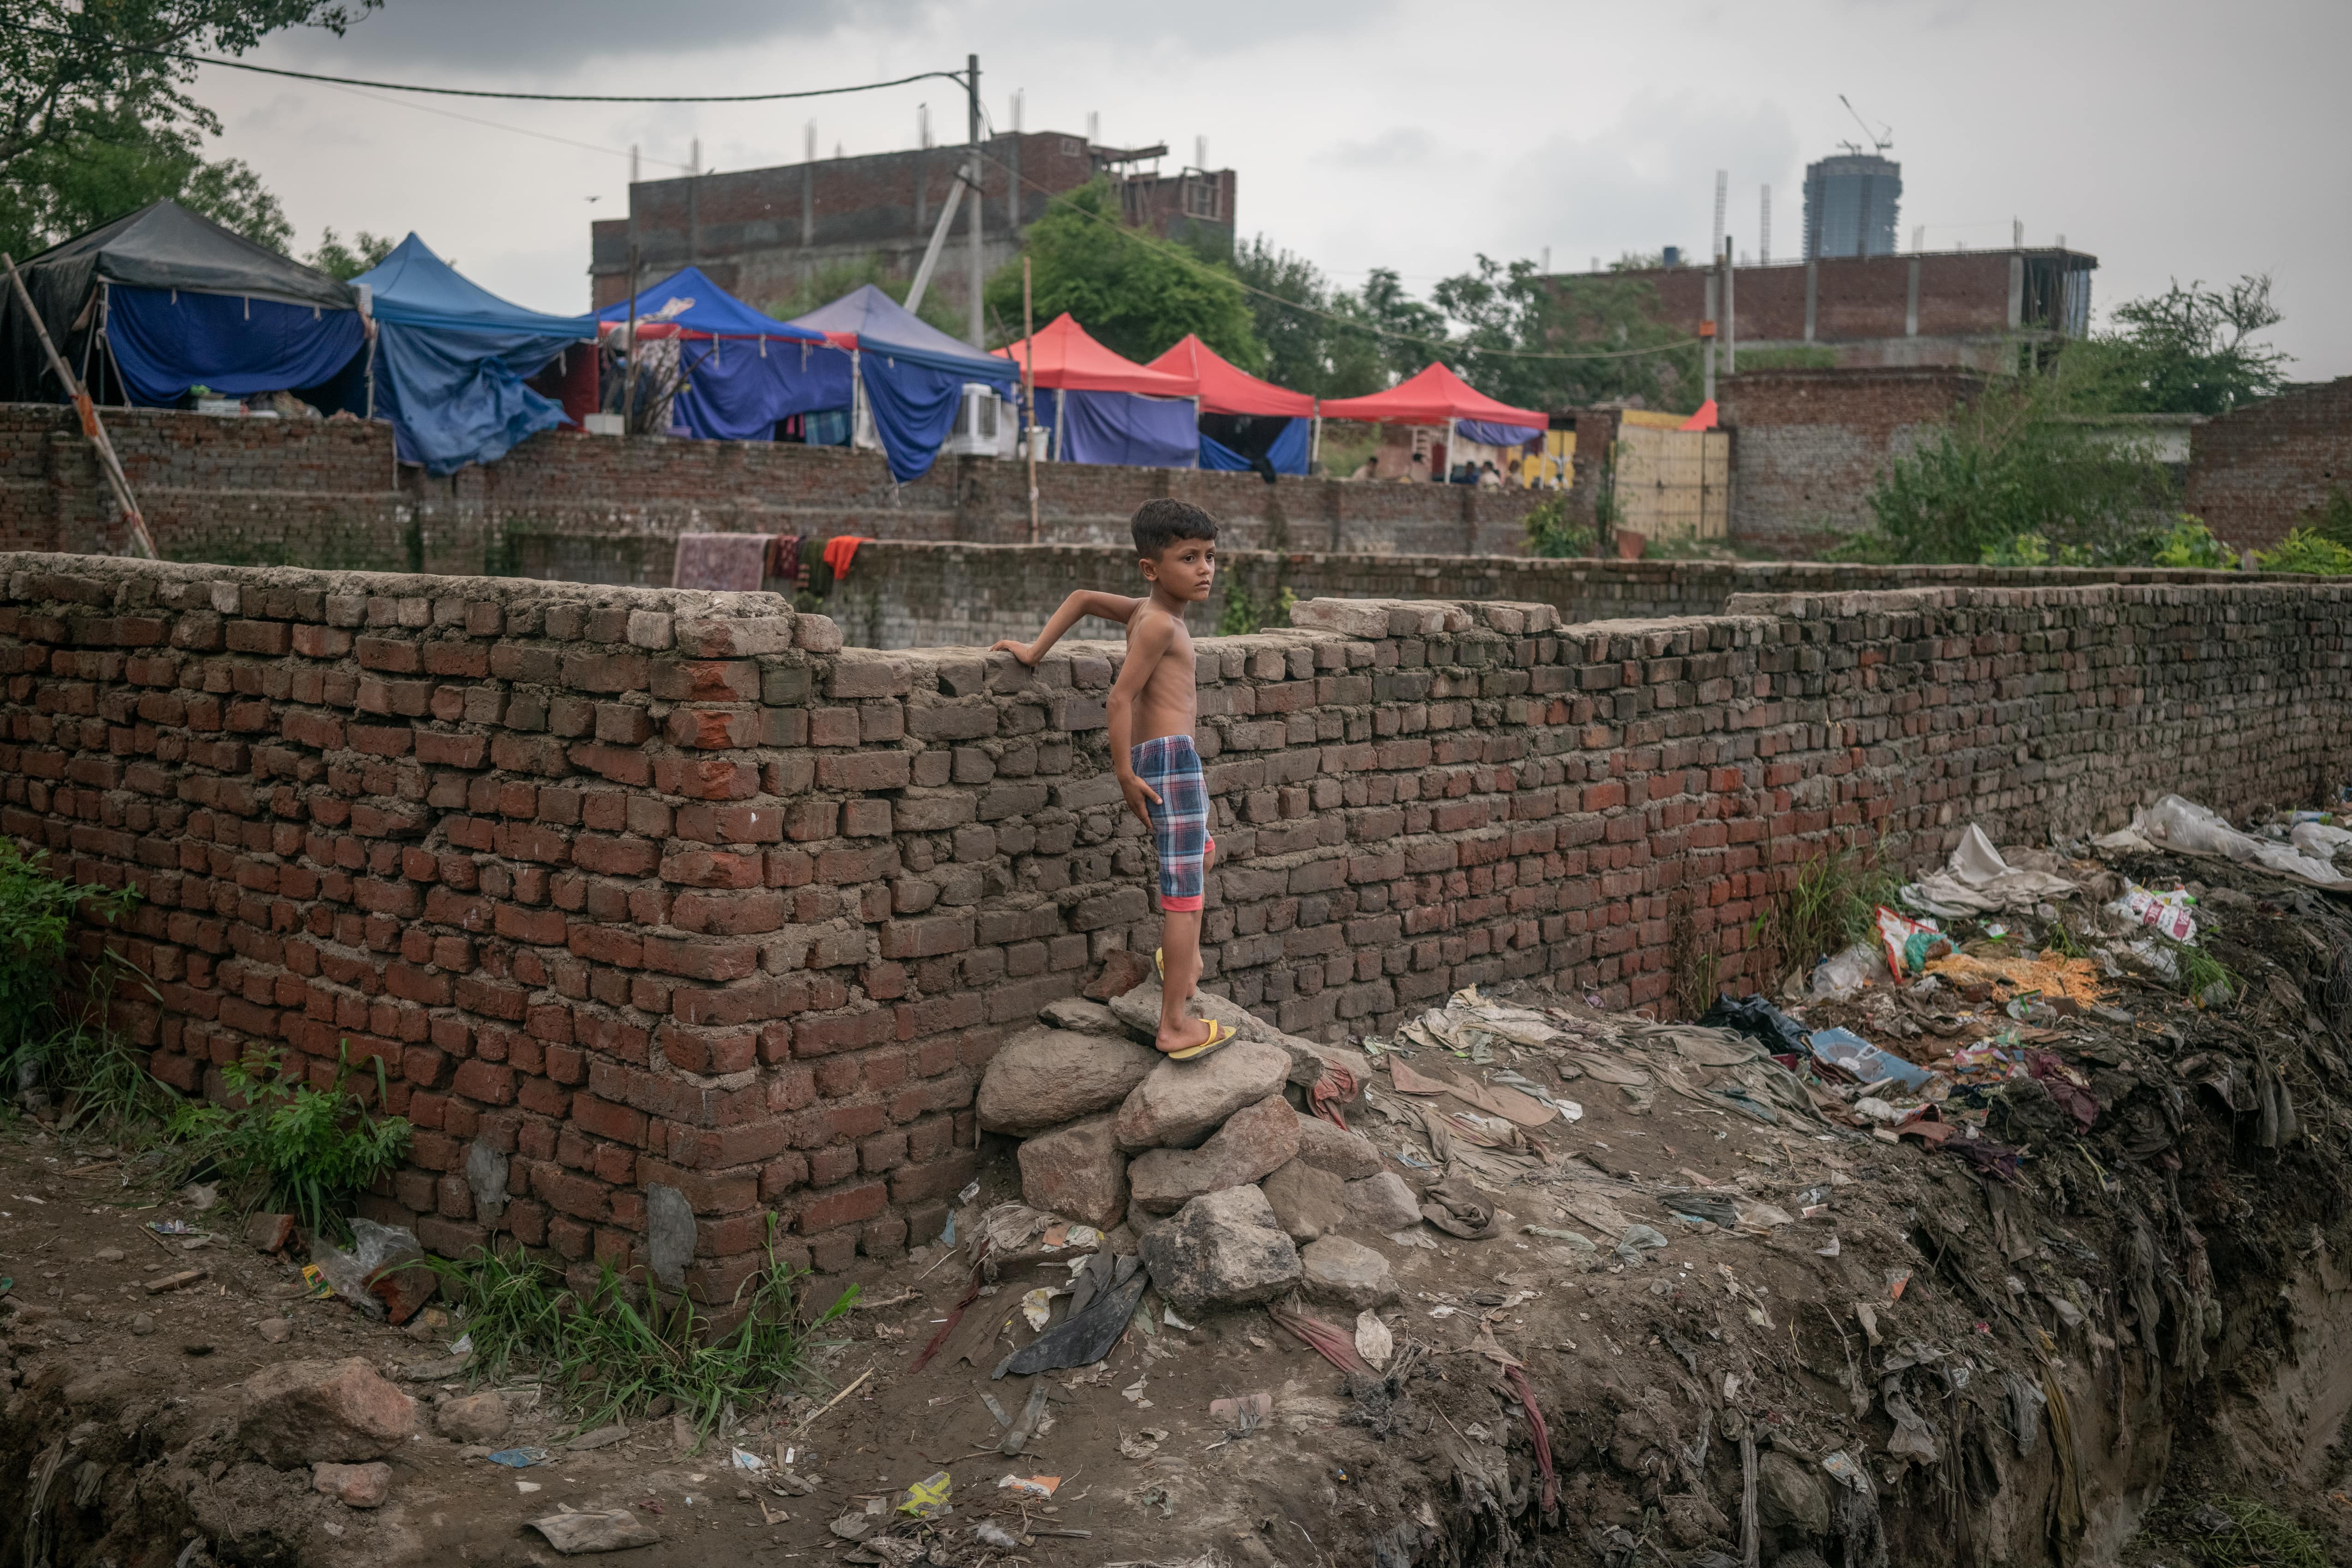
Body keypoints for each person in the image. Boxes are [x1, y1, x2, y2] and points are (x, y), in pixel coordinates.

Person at [989, 499, 1233, 1059]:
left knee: (1202, 855)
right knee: (1184, 898)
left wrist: (1033, 651)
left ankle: (1185, 961)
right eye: (1189, 557)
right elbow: (1118, 698)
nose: (1205, 569)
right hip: (1170, 760)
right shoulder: (1160, 627)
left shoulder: (1141, 613)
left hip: (1165, 759)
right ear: (1151, 569)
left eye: (1211, 557)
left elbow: (1079, 599)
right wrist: (1123, 774)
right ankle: (1175, 1022)